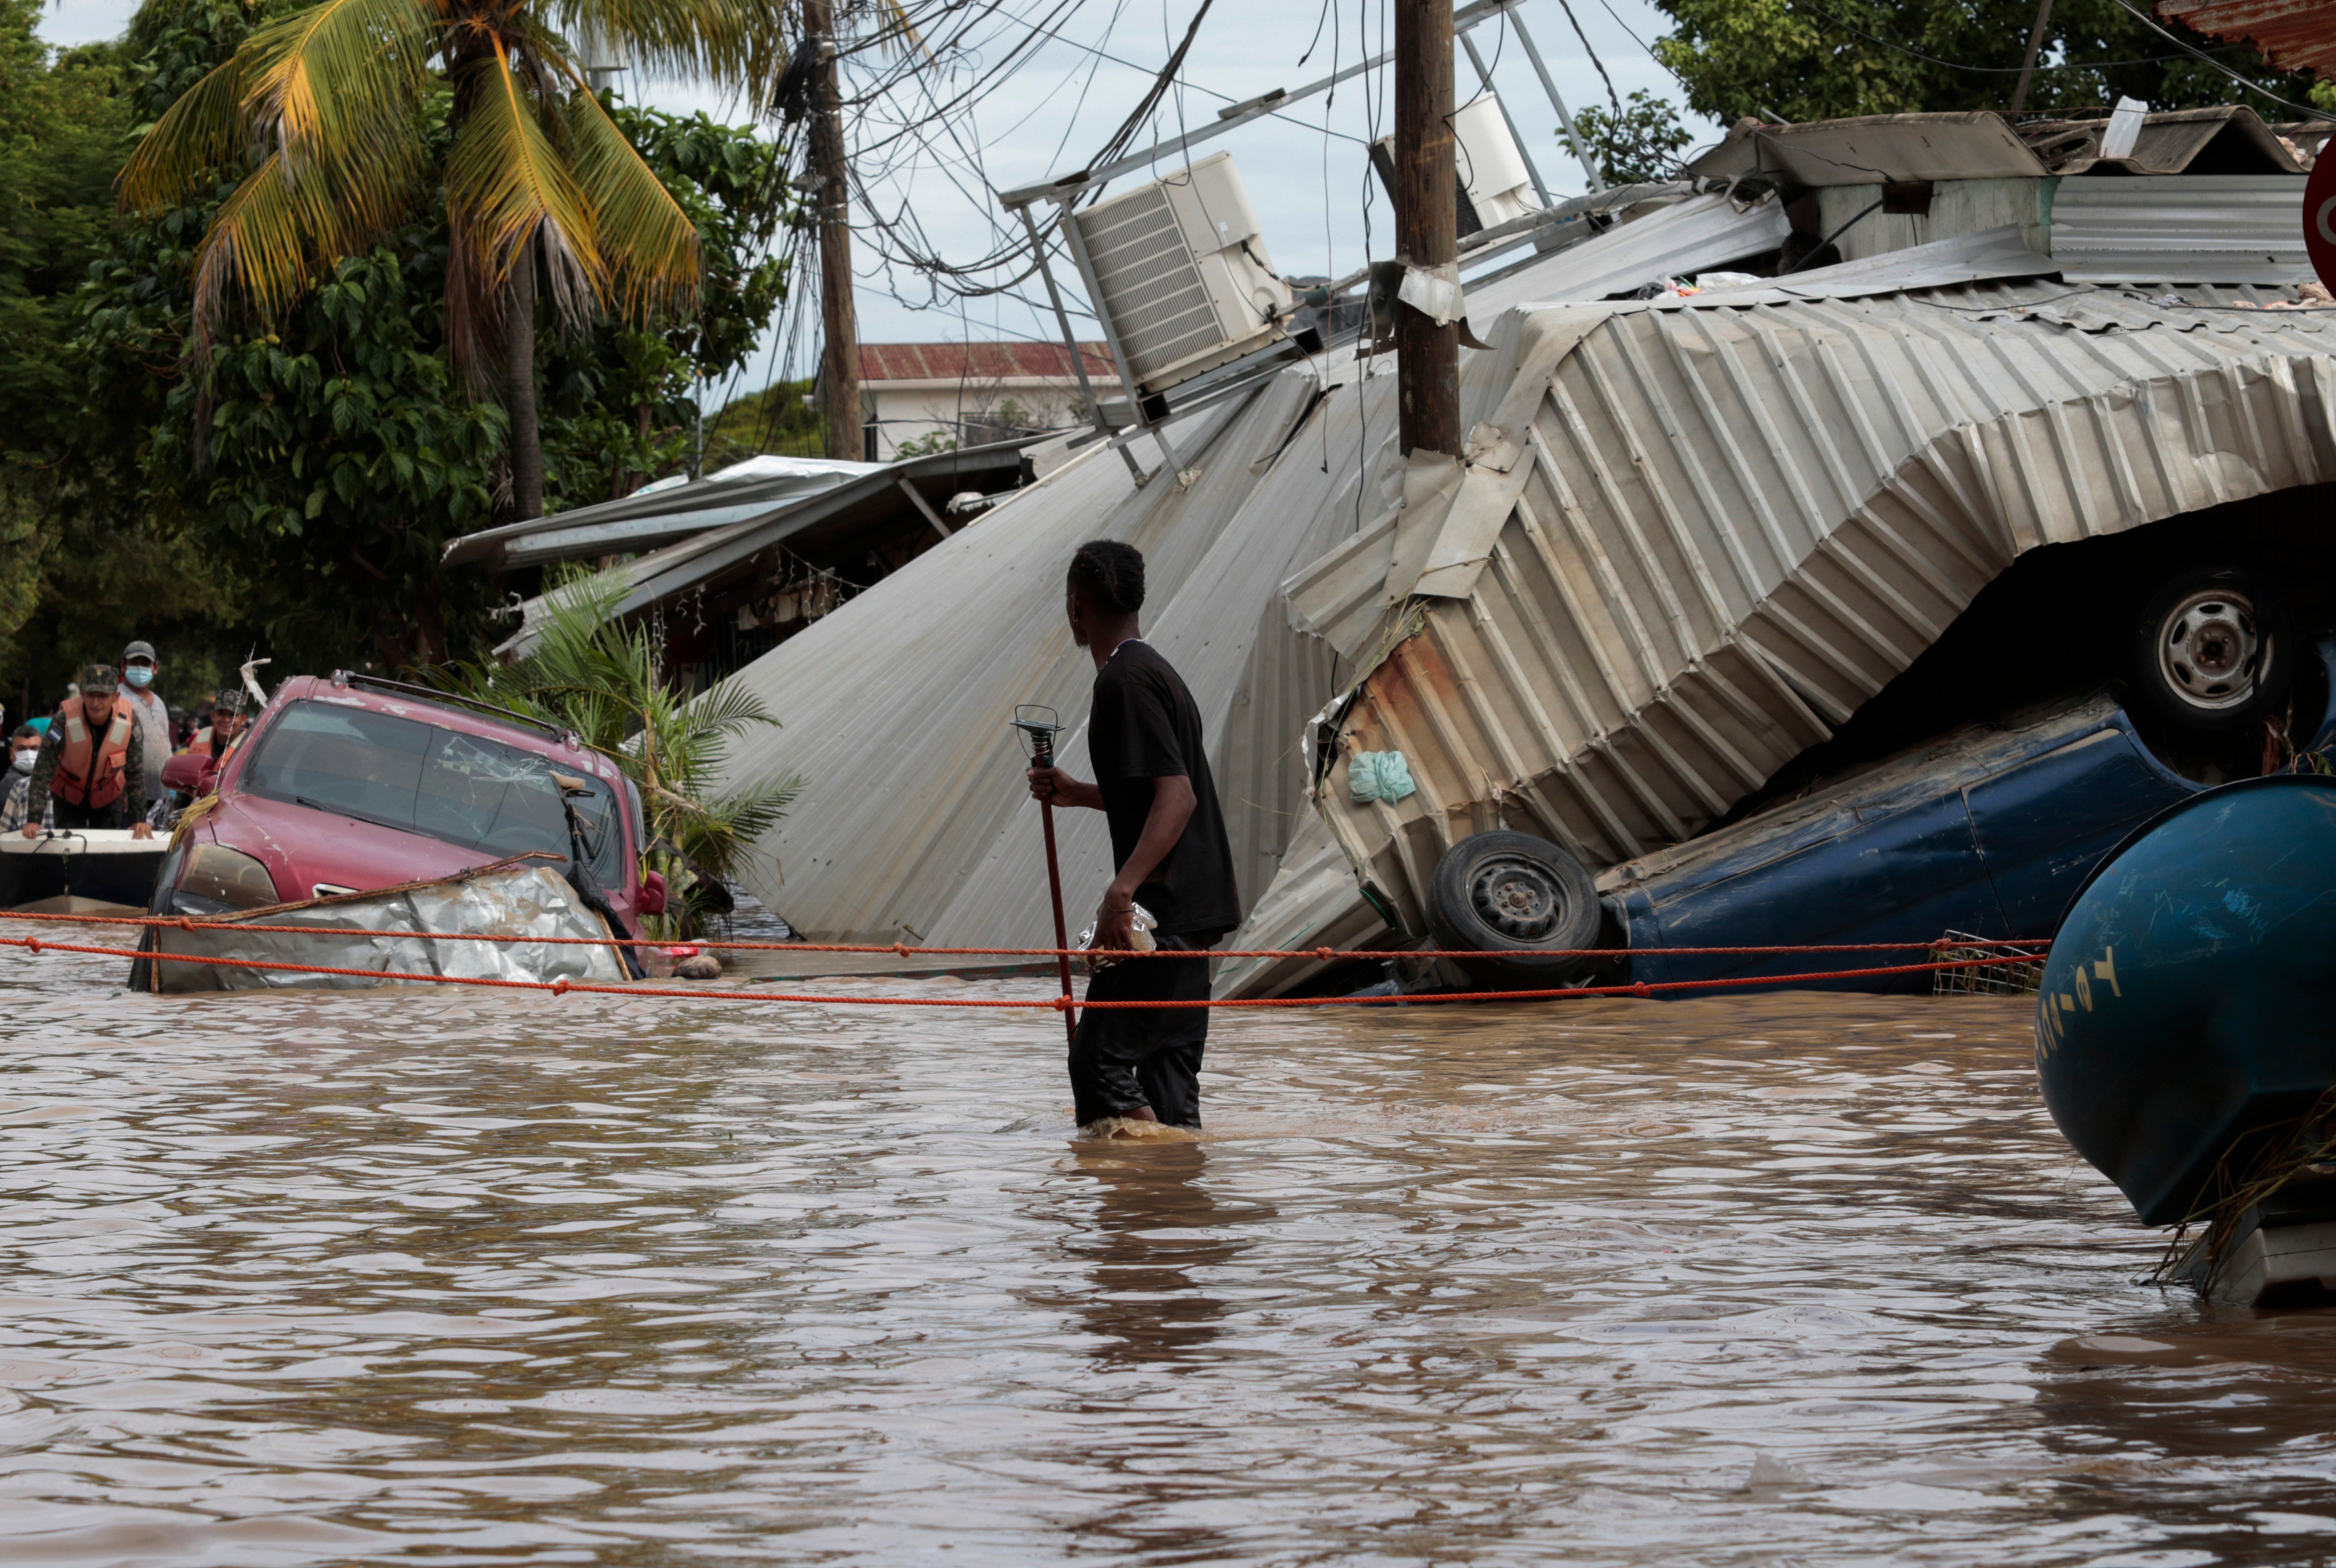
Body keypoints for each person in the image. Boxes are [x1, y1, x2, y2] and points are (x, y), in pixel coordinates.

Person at [1025, 540, 1241, 1132]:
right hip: (1191, 931)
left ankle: (1153, 1179)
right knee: (1171, 1092)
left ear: (1075, 607)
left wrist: (1121, 894)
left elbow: (1179, 797)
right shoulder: (1159, 672)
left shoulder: (1122, 681)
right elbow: (1156, 793)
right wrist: (1082, 793)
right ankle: (1174, 1202)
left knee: (1096, 1065)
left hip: (1160, 922)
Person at [22, 665, 152, 840]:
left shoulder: (128, 721)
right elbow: (43, 768)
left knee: (107, 851)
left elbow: (135, 773)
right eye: (91, 695)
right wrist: (34, 820)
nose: (96, 703)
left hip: (108, 794)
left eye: (103, 696)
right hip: (69, 795)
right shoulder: (65, 718)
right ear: (82, 694)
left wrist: (138, 820)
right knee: (69, 851)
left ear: (116, 697)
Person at [117, 640, 172, 809]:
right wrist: (122, 791)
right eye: (134, 663)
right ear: (123, 666)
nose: (140, 668)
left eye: (145, 664)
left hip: (161, 795)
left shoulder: (159, 702)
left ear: (155, 667)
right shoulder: (116, 699)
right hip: (130, 795)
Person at [0, 724, 44, 835]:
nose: (29, 754)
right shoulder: (8, 785)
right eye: (22, 749)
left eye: (34, 749)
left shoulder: (53, 781)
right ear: (11, 753)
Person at [185, 692, 246, 760]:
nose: (226, 720)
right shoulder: (199, 738)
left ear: (243, 720)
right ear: (213, 716)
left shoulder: (252, 748)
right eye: (221, 714)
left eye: (233, 715)